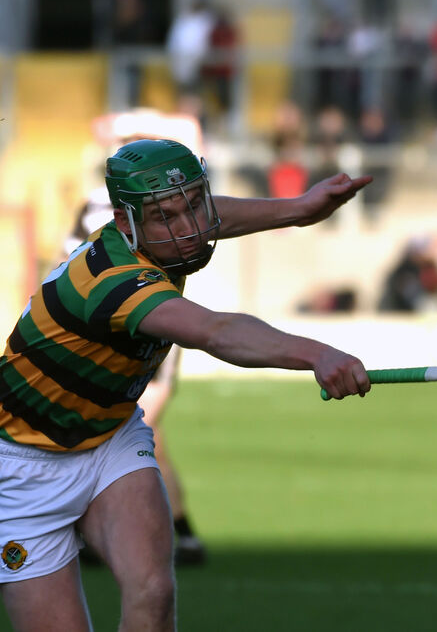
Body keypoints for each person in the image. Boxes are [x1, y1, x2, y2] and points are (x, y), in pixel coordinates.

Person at [0, 138, 372, 631]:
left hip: (109, 437)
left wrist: (300, 209)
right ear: (125, 221)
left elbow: (215, 216)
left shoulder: (159, 235)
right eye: (165, 216)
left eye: (194, 204)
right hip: (20, 465)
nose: (189, 229)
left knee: (153, 593)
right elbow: (215, 331)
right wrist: (316, 354)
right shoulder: (112, 280)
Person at [64, 189, 208, 567]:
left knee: (140, 432)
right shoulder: (95, 207)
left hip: (149, 330)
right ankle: (172, 534)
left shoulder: (156, 204)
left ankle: (170, 534)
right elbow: (70, 263)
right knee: (135, 437)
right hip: (110, 337)